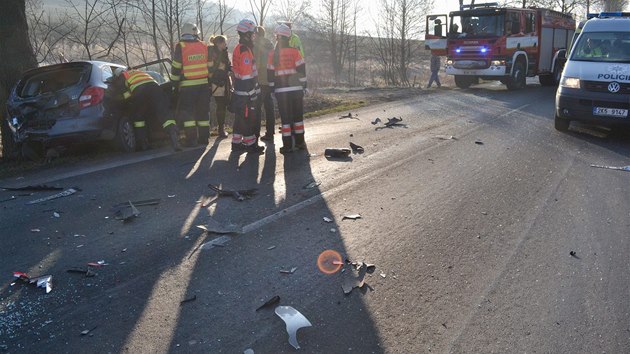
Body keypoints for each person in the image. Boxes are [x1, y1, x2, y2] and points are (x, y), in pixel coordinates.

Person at [111, 67, 181, 151]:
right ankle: (174, 139)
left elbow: (126, 95)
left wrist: (118, 99)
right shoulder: (138, 72)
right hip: (155, 88)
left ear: (118, 74)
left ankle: (143, 144)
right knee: (164, 113)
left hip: (140, 92)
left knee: (139, 118)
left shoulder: (122, 76)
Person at [267, 24, 307, 154]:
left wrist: (272, 89)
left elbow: (270, 74)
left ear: (277, 37)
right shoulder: (295, 52)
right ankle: (300, 143)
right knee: (298, 119)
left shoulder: (272, 54)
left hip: (281, 92)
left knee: (286, 121)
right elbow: (302, 70)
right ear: (288, 37)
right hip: (296, 91)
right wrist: (304, 85)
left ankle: (287, 146)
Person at [170, 23, 211, 146]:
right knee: (203, 113)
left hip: (188, 86)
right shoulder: (204, 45)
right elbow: (210, 66)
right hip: (203, 85)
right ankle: (204, 139)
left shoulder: (181, 46)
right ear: (194, 33)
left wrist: (174, 85)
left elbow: (176, 67)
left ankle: (192, 140)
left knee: (188, 113)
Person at [231, 19, 264, 154]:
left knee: (239, 119)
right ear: (245, 34)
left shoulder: (241, 48)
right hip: (245, 92)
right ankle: (250, 145)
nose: (253, 36)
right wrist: (253, 92)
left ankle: (237, 143)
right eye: (251, 34)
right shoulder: (245, 50)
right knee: (247, 118)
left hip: (240, 91)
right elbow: (246, 75)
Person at [254, 26, 276, 142]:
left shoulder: (256, 45)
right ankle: (270, 132)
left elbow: (257, 64)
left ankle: (255, 135)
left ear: (256, 34)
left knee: (256, 108)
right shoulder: (270, 44)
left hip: (261, 80)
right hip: (270, 80)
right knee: (269, 108)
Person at [208, 35, 231, 138]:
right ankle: (220, 130)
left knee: (222, 105)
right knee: (220, 106)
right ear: (218, 43)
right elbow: (210, 68)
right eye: (224, 43)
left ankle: (220, 128)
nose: (225, 44)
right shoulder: (212, 53)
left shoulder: (223, 52)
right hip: (217, 82)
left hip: (222, 82)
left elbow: (227, 65)